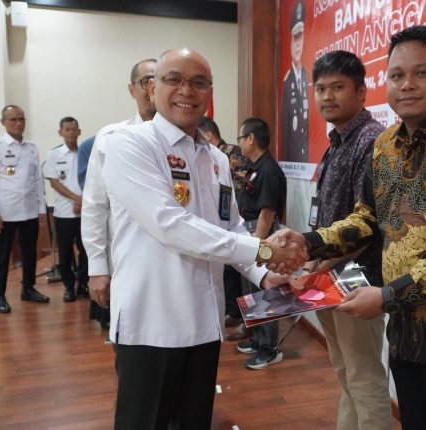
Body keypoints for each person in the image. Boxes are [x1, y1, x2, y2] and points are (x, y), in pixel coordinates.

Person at [271, 26, 426, 430]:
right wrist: (307, 242)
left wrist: (386, 296)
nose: (407, 85)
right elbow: (366, 219)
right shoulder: (386, 145)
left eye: (422, 73)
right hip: (406, 331)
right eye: (397, 75)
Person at [93, 47, 306, 429]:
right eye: (174, 79)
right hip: (151, 321)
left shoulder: (216, 159)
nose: (186, 91)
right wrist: (262, 249)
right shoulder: (129, 144)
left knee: (194, 421)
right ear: (153, 88)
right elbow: (170, 224)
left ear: (209, 91)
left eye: (198, 82)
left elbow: (230, 227)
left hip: (204, 321)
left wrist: (264, 274)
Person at [301, 50, 392, 430]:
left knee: (364, 377)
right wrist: (312, 264)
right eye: (320, 88)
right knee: (344, 372)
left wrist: (318, 263)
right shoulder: (337, 141)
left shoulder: (372, 140)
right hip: (327, 278)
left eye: (337, 87)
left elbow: (370, 223)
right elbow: (328, 216)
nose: (327, 96)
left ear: (361, 92)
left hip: (358, 280)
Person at [81, 58, 157, 328]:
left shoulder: (188, 141)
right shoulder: (110, 137)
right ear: (131, 89)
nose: (152, 87)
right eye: (145, 81)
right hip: (127, 263)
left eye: (158, 80)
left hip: (175, 268)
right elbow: (95, 206)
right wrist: (97, 268)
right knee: (129, 339)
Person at [0, 105, 49, 313]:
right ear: (3, 122)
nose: (18, 123)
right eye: (13, 119)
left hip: (29, 210)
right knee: (1, 255)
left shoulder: (31, 147)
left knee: (29, 252)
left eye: (21, 119)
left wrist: (42, 208)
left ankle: (28, 288)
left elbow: (37, 180)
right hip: (4, 212)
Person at [234, 117, 287, 369]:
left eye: (240, 138)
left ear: (251, 139)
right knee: (251, 291)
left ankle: (269, 348)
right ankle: (257, 338)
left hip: (261, 235)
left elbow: (267, 212)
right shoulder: (255, 167)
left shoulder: (268, 170)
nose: (239, 144)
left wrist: (257, 247)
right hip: (250, 233)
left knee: (265, 292)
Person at [198, 116, 251, 335]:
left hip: (237, 229)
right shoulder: (135, 144)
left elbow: (230, 214)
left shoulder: (222, 157)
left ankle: (238, 313)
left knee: (236, 279)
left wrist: (264, 262)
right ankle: (234, 311)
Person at [44, 116, 89, 302]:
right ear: (60, 132)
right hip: (63, 213)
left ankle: (83, 284)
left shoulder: (86, 152)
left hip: (86, 212)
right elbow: (54, 183)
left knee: (86, 250)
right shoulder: (53, 155)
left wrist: (83, 201)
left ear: (79, 132)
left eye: (74, 129)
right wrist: (76, 199)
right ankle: (69, 286)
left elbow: (92, 179)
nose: (71, 132)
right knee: (65, 252)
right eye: (67, 129)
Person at [280, 0, 309, 162]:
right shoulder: (287, 82)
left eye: (300, 37)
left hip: (305, 159)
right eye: (295, 38)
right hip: (293, 159)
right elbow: (285, 131)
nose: (298, 44)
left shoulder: (306, 77)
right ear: (290, 43)